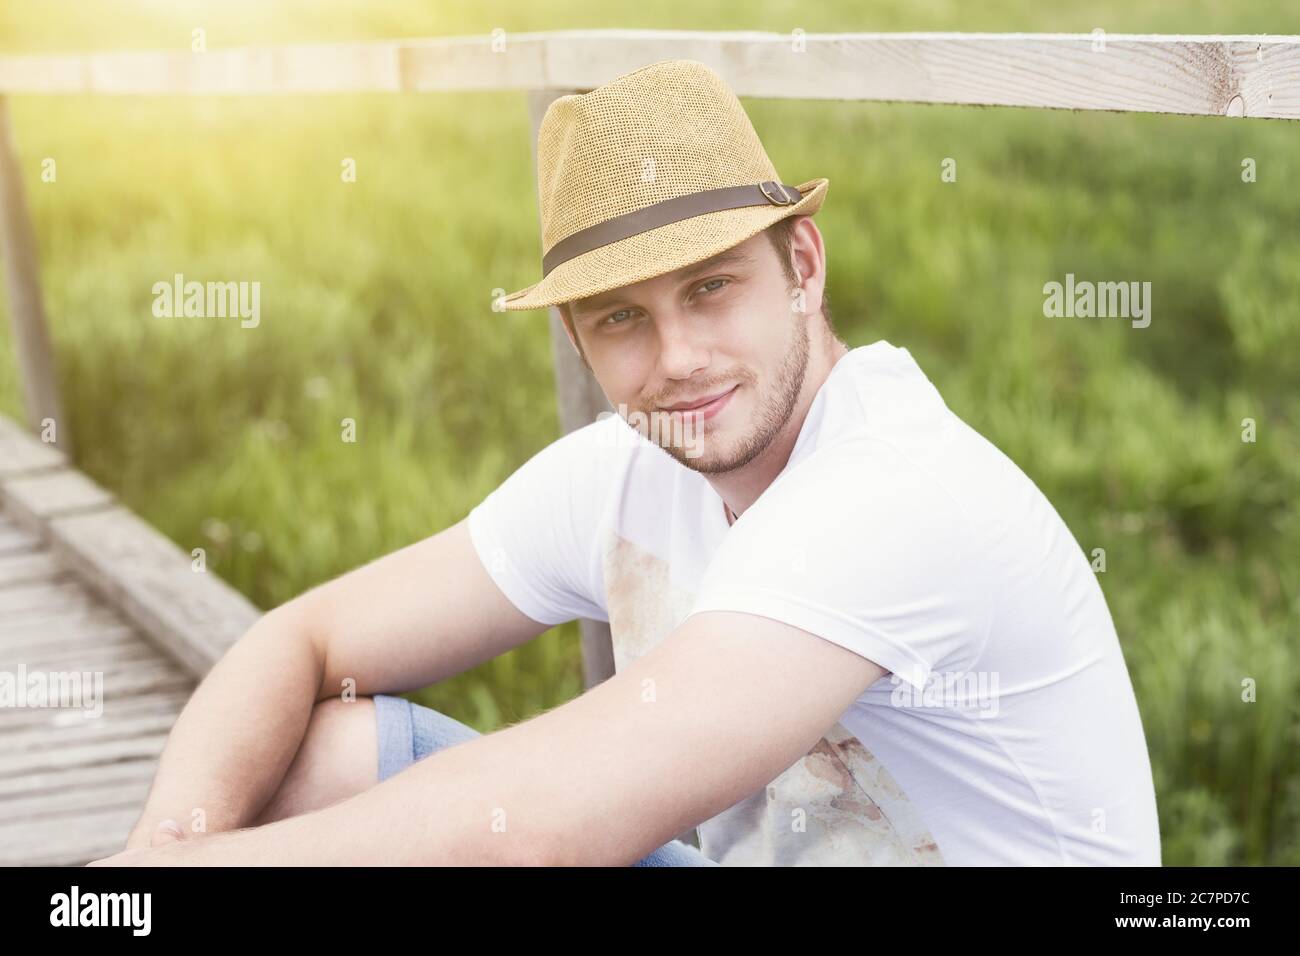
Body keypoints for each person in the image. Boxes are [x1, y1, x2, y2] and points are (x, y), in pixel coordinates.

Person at [106, 59, 1159, 867]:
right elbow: (307, 637)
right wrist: (166, 844)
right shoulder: (627, 464)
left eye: (709, 288)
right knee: (326, 757)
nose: (677, 360)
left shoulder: (891, 493)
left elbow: (546, 818)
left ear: (802, 264)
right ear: (577, 341)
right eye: (622, 319)